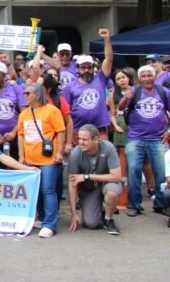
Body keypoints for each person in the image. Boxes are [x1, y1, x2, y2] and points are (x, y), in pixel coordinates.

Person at [117, 65, 170, 216]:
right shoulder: (134, 91)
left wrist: (169, 131)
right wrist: (125, 98)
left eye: (150, 75)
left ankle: (160, 204)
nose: (147, 78)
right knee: (133, 171)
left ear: (154, 77)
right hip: (135, 138)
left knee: (160, 173)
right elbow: (120, 107)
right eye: (144, 76)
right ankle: (134, 205)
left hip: (158, 138)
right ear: (139, 78)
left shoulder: (163, 92)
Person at [17, 83, 66, 238]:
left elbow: (61, 132)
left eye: (28, 93)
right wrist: (21, 155)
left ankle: (50, 224)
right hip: (31, 158)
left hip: (49, 159)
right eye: (24, 93)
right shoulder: (24, 114)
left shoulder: (52, 111)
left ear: (37, 94)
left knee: (47, 189)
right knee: (36, 190)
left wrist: (59, 151)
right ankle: (43, 216)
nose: (24, 95)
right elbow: (21, 135)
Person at [68, 124, 122, 235]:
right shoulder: (75, 154)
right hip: (89, 189)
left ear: (96, 139)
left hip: (107, 184)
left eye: (85, 139)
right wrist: (73, 213)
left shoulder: (108, 148)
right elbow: (72, 183)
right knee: (91, 224)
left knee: (111, 192)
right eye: (79, 139)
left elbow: (116, 176)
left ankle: (108, 219)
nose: (81, 142)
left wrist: (87, 176)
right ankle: (101, 209)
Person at [63, 29, 113, 137]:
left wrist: (106, 39)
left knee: (103, 153)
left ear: (93, 67)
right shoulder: (70, 86)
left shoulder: (100, 78)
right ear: (77, 68)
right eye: (83, 67)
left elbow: (108, 59)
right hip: (78, 129)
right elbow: (67, 110)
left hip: (100, 128)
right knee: (80, 154)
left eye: (89, 67)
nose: (86, 70)